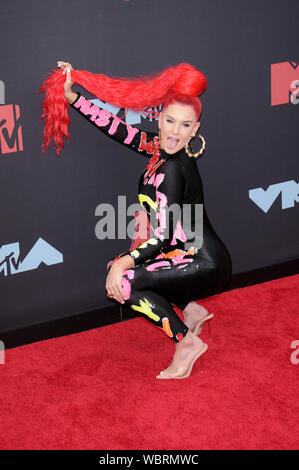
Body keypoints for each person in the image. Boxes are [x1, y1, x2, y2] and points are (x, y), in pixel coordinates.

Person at [39, 61, 232, 379]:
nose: (174, 132)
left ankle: (186, 344)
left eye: (185, 126)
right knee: (128, 268)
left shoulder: (172, 169)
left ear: (195, 129)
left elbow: (166, 238)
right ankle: (191, 309)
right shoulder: (161, 150)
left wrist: (124, 263)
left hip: (204, 262)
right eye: (170, 121)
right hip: (190, 256)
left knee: (124, 281)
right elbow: (119, 130)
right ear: (160, 120)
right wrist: (74, 98)